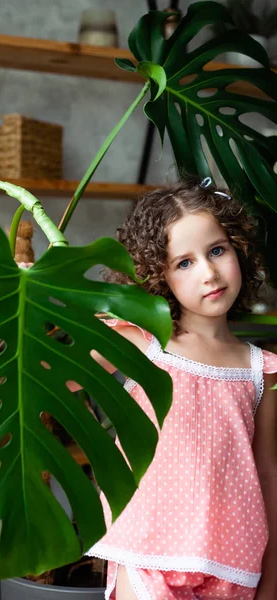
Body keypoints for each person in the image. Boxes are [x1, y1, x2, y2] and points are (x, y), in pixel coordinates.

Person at [85, 177, 277, 600]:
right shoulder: (144, 340)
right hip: (147, 550)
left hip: (234, 561)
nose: (208, 272)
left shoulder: (261, 370)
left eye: (216, 250)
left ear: (239, 250)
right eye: (184, 263)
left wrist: (273, 576)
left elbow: (268, 472)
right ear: (157, 275)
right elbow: (60, 373)